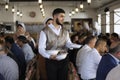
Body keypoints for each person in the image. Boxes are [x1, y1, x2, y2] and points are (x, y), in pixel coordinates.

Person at [38, 8, 81, 80]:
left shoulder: (65, 31)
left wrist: (79, 46)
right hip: (51, 60)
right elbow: (41, 48)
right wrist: (49, 56)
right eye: (61, 16)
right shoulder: (45, 31)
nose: (63, 18)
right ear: (55, 16)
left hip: (64, 59)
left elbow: (68, 44)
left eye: (63, 17)